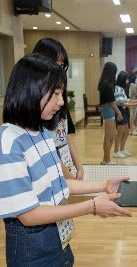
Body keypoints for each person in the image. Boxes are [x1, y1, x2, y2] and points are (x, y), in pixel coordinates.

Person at [0, 54, 132, 266]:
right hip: (31, 246)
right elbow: (29, 215)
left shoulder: (41, 132)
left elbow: (57, 184)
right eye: (55, 94)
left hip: (57, 235)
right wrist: (91, 206)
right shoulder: (7, 145)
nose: (61, 102)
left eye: (61, 93)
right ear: (30, 90)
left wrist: (104, 185)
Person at [32, 38, 84, 180]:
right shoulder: (38, 105)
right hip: (52, 171)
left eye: (62, 65)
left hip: (65, 166)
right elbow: (48, 151)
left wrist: (78, 166)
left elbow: (68, 134)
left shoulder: (59, 100)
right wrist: (69, 179)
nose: (60, 69)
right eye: (56, 63)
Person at [99, 62, 123, 164]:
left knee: (112, 136)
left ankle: (105, 158)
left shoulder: (106, 82)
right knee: (108, 137)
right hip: (107, 109)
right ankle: (106, 159)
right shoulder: (105, 83)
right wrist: (119, 113)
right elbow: (111, 102)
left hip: (108, 108)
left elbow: (111, 101)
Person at [113, 71, 137, 158]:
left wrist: (134, 101)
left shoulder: (121, 88)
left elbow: (125, 100)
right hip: (120, 111)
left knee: (126, 132)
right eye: (126, 79)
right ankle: (116, 151)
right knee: (120, 133)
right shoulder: (117, 88)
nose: (127, 80)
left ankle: (122, 149)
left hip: (124, 111)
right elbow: (119, 103)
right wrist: (134, 104)